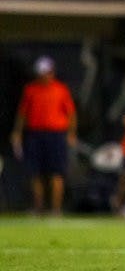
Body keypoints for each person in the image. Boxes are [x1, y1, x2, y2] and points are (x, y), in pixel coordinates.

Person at [10, 56, 77, 215]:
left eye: (47, 73)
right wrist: (17, 132)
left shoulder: (61, 89)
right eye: (41, 73)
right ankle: (38, 208)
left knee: (57, 172)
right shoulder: (30, 89)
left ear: (52, 72)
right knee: (35, 173)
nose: (44, 76)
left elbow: (71, 114)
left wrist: (71, 133)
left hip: (56, 135)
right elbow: (22, 114)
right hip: (35, 134)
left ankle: (55, 209)